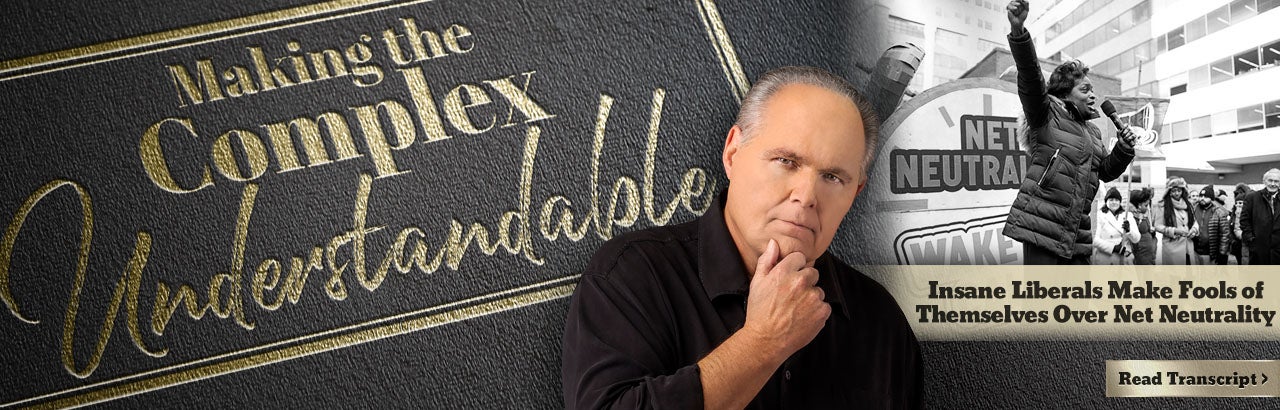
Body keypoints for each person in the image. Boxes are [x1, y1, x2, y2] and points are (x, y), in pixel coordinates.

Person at [561, 66, 921, 409]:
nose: (806, 195)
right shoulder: (632, 276)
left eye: (832, 177)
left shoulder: (881, 322)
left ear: (855, 193)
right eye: (786, 161)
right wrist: (763, 341)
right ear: (733, 153)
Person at [1000, 0, 1136, 265]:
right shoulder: (1046, 113)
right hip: (1042, 231)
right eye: (1085, 90)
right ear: (1065, 93)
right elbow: (1030, 75)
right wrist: (1018, 31)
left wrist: (1123, 149)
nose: (1093, 95)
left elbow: (1105, 172)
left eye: (1093, 90)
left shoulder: (1094, 132)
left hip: (1077, 235)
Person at [1153, 176, 1199, 265]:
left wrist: (1194, 230)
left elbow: (1194, 221)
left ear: (1183, 191)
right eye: (1173, 191)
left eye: (1179, 190)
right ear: (1169, 192)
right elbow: (1157, 226)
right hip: (1172, 247)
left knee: (1188, 271)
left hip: (1187, 245)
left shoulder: (1188, 204)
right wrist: (1174, 231)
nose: (1177, 193)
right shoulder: (1163, 206)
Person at [1241, 168, 1280, 265]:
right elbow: (1244, 221)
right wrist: (1251, 239)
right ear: (1264, 181)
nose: (1273, 184)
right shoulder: (1252, 198)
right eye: (1270, 180)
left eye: (1276, 181)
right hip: (1258, 249)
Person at [1092, 187, 1139, 264]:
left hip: (1125, 259)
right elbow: (1094, 240)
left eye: (1116, 200)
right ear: (1106, 201)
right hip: (1106, 259)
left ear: (1120, 202)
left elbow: (1136, 239)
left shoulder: (1128, 215)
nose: (1114, 202)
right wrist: (1114, 248)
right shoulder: (1099, 216)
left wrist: (1129, 231)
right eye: (1111, 200)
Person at [1192, 185, 1230, 265]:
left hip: (1210, 252)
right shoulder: (1193, 209)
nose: (1202, 198)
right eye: (1201, 196)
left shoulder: (1219, 212)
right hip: (1194, 250)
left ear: (1211, 198)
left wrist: (1222, 253)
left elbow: (1225, 234)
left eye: (1206, 197)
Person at [1128, 187, 1157, 265]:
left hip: (1149, 254)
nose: (1147, 208)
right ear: (1139, 205)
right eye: (1146, 205)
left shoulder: (1143, 215)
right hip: (1140, 255)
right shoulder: (1131, 217)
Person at [1227, 183, 1253, 265]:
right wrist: (1232, 240)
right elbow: (1231, 225)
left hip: (1246, 241)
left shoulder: (1249, 208)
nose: (1238, 204)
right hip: (1238, 243)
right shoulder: (1235, 209)